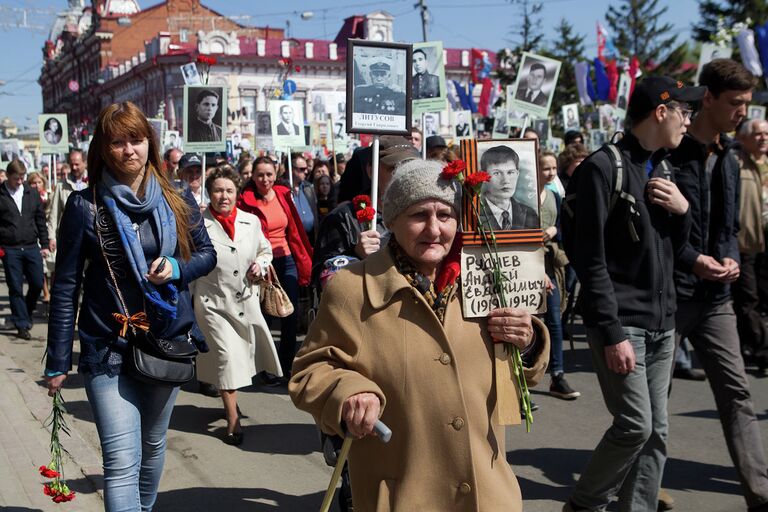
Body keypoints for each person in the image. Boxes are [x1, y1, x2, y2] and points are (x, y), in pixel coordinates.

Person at [290, 159, 549, 511]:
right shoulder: (352, 289)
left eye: (445, 215)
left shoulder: (488, 280)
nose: (434, 228)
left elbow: (521, 372)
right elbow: (309, 372)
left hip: (487, 493)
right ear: (392, 220)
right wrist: (348, 392)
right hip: (402, 494)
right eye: (418, 215)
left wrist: (529, 340)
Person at [43, 101, 216, 511]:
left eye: (135, 140)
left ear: (149, 143)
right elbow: (66, 287)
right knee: (121, 461)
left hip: (164, 342)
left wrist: (175, 266)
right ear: (103, 150)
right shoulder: (85, 207)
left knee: (153, 446)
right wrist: (57, 360)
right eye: (116, 142)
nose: (128, 150)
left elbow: (206, 254)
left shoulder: (177, 197)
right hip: (108, 345)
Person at [562, 76, 699, 512]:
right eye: (685, 112)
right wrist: (612, 331)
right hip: (625, 327)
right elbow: (590, 258)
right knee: (636, 426)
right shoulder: (604, 167)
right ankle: (584, 505)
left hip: (663, 325)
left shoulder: (662, 168)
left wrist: (683, 212)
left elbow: (676, 250)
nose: (688, 121)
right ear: (662, 112)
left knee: (657, 433)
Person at [666, 59, 768, 511]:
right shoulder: (669, 152)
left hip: (716, 298)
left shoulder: (729, 155)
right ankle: (641, 486)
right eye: (735, 103)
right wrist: (694, 261)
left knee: (737, 394)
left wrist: (727, 256)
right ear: (707, 99)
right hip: (670, 296)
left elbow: (726, 224)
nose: (742, 112)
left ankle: (760, 494)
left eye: (747, 104)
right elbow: (658, 232)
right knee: (650, 405)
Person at [192, 166, 281, 445]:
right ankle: (233, 422)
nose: (224, 196)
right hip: (212, 304)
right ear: (209, 194)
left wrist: (261, 264)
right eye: (218, 190)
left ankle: (230, 403)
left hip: (244, 300)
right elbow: (188, 260)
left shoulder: (251, 222)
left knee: (242, 358)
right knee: (226, 357)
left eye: (229, 190)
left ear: (237, 193)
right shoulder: (196, 225)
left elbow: (265, 250)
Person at [237, 156, 313, 382]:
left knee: (289, 314)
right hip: (261, 263)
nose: (265, 179)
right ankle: (264, 366)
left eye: (269, 174)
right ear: (252, 176)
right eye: (260, 174)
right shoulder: (245, 201)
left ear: (276, 172)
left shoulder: (283, 194)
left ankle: (287, 365)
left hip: (286, 259)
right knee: (264, 317)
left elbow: (296, 229)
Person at [312, 136, 419, 285]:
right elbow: (323, 277)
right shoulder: (344, 218)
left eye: (410, 167)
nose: (403, 175)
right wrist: (355, 256)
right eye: (393, 168)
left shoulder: (423, 215)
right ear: (371, 170)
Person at [538, 151, 579, 400]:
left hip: (550, 264)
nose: (551, 173)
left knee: (554, 319)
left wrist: (555, 228)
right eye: (546, 168)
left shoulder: (554, 194)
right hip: (529, 265)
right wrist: (536, 271)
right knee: (530, 321)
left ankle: (557, 374)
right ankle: (521, 380)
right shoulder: (524, 196)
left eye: (554, 168)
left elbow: (564, 224)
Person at [0, 159, 52, 339]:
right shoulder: (1, 194)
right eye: (16, 178)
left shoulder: (31, 193)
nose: (20, 181)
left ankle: (26, 312)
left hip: (31, 246)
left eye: (22, 177)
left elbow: (40, 221)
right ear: (8, 176)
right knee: (15, 287)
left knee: (37, 283)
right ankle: (21, 324)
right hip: (10, 248)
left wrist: (44, 244)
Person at [733, 118, 768, 367]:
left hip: (766, 241)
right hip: (744, 242)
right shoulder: (735, 162)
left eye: (766, 134)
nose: (763, 138)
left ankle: (753, 343)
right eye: (757, 134)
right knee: (748, 297)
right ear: (743, 138)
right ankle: (760, 346)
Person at [478, 145, 539, 230]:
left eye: (510, 172)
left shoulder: (530, 214)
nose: (506, 180)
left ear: (517, 175)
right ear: (483, 176)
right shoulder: (474, 213)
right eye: (496, 173)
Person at [289, 153, 319, 243]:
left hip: (310, 239)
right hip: (294, 241)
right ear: (291, 169)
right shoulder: (284, 190)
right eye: (302, 169)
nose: (306, 172)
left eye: (306, 168)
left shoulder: (308, 188)